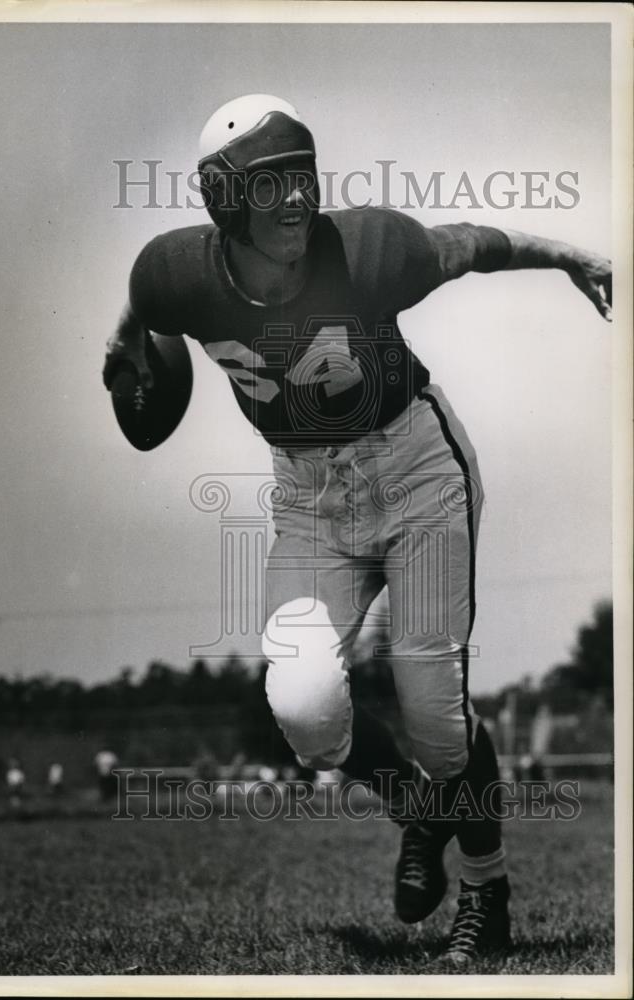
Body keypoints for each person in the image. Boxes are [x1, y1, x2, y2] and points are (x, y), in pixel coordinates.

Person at [102, 94, 611, 964]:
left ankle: (486, 894)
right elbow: (141, 314)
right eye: (271, 184)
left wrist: (571, 256)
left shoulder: (367, 249)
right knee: (302, 709)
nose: (297, 198)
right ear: (225, 198)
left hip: (415, 471)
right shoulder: (172, 274)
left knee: (437, 719)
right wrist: (123, 356)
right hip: (307, 498)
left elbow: (473, 246)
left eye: (302, 176)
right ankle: (419, 810)